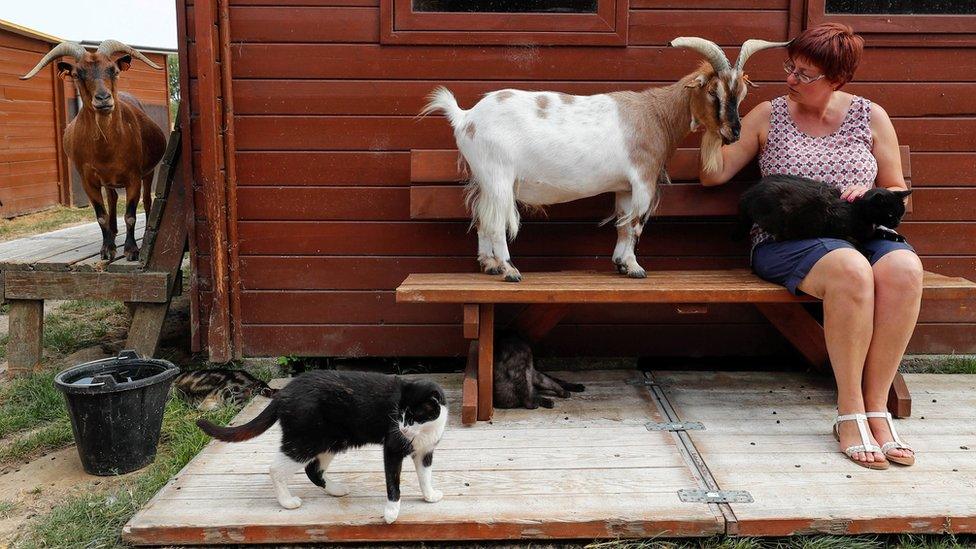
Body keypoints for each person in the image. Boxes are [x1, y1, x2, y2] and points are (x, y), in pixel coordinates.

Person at [700, 23, 919, 469]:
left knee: (904, 270)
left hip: (861, 229)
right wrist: (717, 113)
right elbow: (713, 175)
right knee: (851, 269)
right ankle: (850, 412)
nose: (791, 79)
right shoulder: (768, 114)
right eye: (790, 68)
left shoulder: (870, 116)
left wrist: (870, 189)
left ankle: (878, 408)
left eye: (804, 73)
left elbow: (898, 190)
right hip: (788, 239)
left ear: (838, 80)